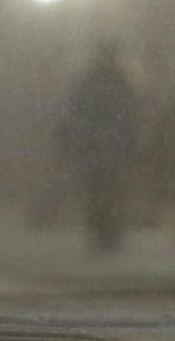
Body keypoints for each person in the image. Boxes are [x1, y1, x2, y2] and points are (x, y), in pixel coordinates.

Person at [60, 39, 141, 253]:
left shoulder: (98, 83)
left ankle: (104, 233)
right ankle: (104, 233)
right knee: (105, 191)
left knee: (102, 191)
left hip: (100, 148)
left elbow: (77, 115)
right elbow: (130, 115)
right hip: (103, 148)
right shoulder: (117, 83)